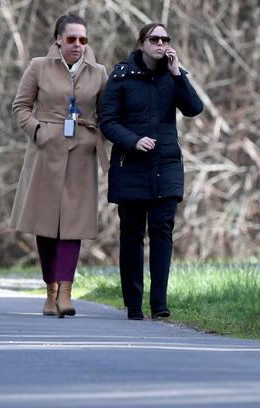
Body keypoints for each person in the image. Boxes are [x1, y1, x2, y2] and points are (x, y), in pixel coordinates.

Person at [100, 23, 203, 320]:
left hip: (166, 165)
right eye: (154, 39)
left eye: (165, 39)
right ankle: (133, 304)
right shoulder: (121, 76)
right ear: (141, 43)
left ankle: (160, 303)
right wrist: (133, 140)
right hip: (130, 166)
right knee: (132, 234)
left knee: (162, 231)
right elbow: (107, 121)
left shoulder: (174, 76)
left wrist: (176, 72)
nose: (161, 44)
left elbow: (194, 109)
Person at [10, 13, 108, 318]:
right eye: (71, 39)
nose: (77, 45)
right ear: (58, 40)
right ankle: (50, 291)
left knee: (72, 226)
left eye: (83, 39)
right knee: (45, 224)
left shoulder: (99, 72)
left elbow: (107, 114)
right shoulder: (39, 66)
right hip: (44, 154)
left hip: (81, 156)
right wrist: (39, 131)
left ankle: (67, 292)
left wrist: (97, 139)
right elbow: (20, 107)